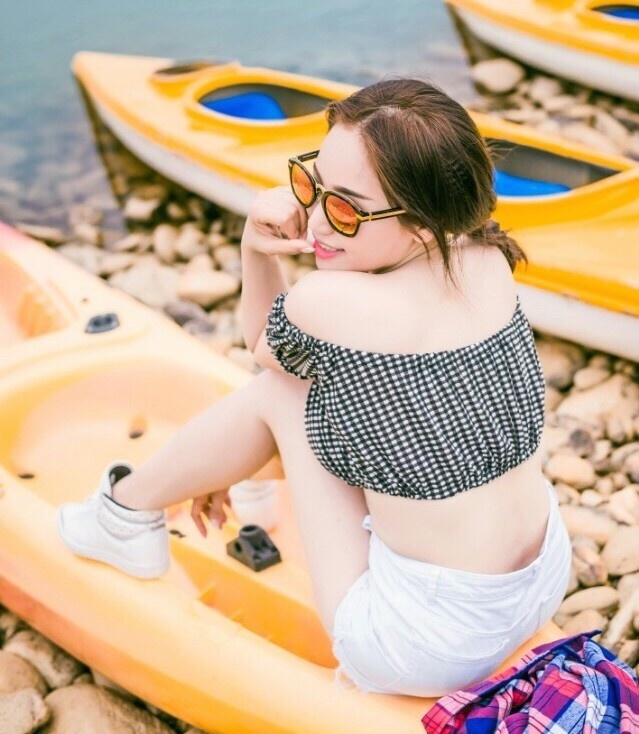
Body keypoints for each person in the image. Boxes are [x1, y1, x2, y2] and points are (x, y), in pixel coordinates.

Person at [57, 78, 572, 698]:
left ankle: (123, 513)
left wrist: (255, 248)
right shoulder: (487, 260)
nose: (317, 220)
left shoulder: (329, 303)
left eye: (347, 209)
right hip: (542, 575)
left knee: (281, 394)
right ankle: (242, 482)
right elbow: (396, 411)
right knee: (349, 397)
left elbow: (264, 352)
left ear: (419, 226)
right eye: (311, 184)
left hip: (424, 645)